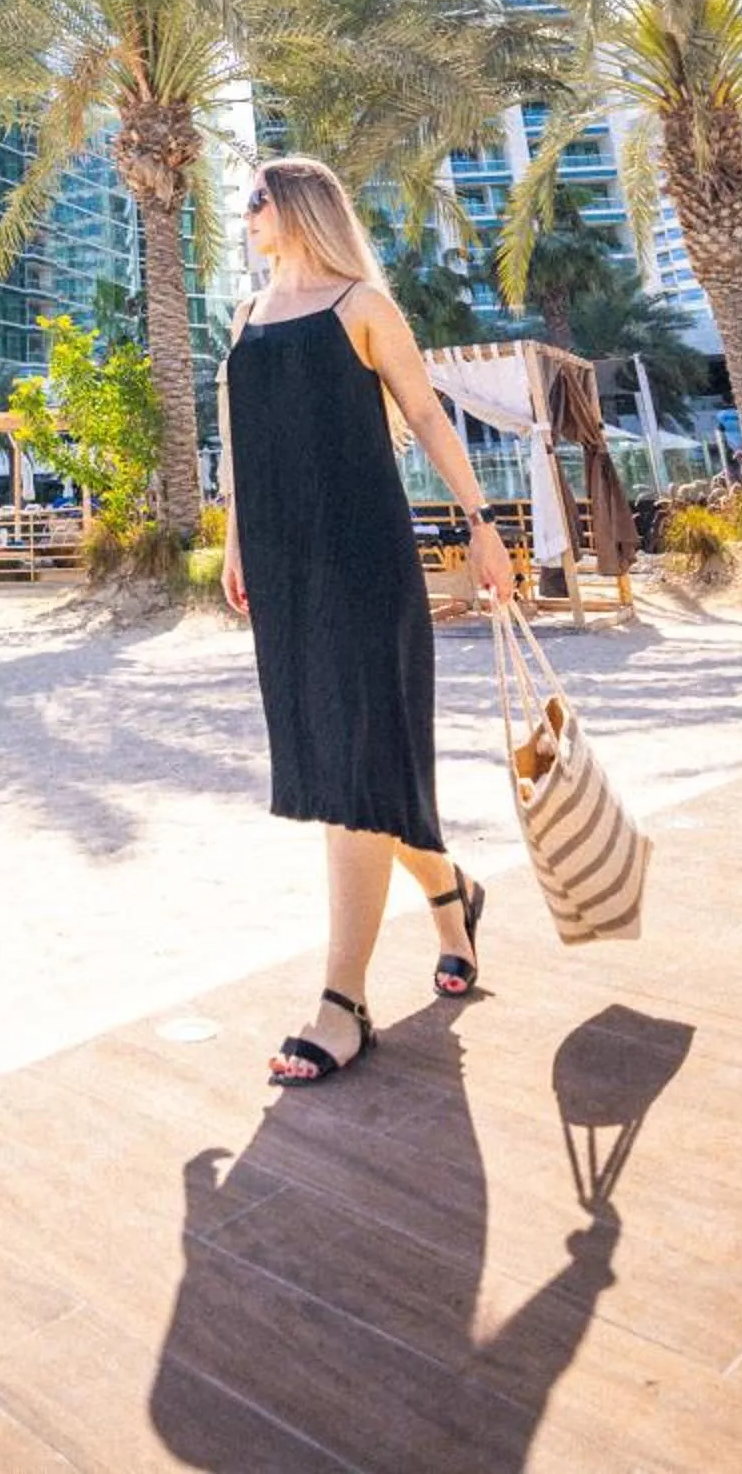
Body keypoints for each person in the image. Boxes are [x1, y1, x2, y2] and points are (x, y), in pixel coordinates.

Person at [221, 156, 518, 1087]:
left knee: (356, 766)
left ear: (300, 207)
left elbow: (426, 418)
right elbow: (236, 440)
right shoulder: (245, 315)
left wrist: (482, 524)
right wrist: (235, 540)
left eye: (258, 199)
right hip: (282, 563)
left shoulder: (362, 306)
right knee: (342, 764)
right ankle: (451, 893)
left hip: (361, 557)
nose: (246, 213)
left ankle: (341, 1002)